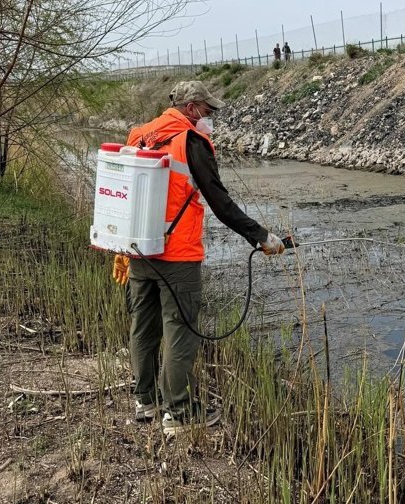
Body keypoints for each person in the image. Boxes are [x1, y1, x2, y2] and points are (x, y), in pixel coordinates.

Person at [112, 81, 285, 435]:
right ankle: (179, 413)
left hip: (139, 250)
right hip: (177, 255)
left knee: (143, 327)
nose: (210, 118)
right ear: (191, 108)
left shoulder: (140, 135)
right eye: (207, 111)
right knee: (180, 329)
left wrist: (122, 249)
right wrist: (262, 237)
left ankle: (145, 401)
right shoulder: (190, 141)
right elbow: (219, 202)